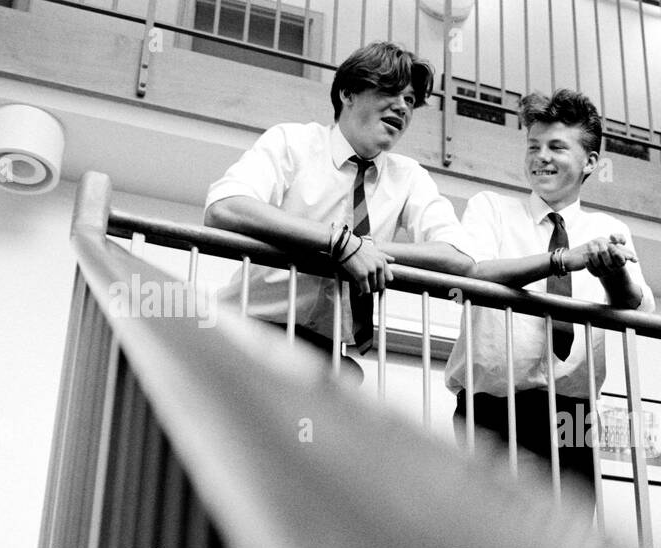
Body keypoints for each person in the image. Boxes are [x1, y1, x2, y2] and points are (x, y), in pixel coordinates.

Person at [205, 41, 479, 381]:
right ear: (348, 92)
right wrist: (339, 243)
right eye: (391, 91)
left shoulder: (408, 177)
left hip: (325, 354)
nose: (402, 107)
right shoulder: (293, 142)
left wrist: (366, 251)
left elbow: (460, 257)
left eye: (410, 100)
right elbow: (224, 208)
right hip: (244, 330)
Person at [443, 89, 655, 498]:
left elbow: (635, 306)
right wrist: (561, 260)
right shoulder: (491, 208)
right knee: (498, 536)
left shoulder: (608, 229)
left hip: (573, 415)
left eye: (557, 147)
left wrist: (610, 270)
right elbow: (476, 273)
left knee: (570, 541)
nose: (541, 157)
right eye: (533, 146)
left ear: (590, 161)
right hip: (492, 407)